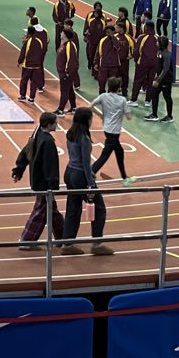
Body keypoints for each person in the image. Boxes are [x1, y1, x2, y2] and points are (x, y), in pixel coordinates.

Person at [60, 107, 112, 256]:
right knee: (99, 208)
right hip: (79, 175)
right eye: (91, 118)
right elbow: (84, 162)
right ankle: (97, 243)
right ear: (86, 120)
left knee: (73, 208)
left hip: (69, 172)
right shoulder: (84, 138)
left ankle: (67, 244)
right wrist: (90, 183)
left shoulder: (70, 134)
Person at [13, 111, 63, 250]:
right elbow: (50, 166)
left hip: (38, 180)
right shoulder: (47, 142)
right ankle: (27, 241)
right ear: (49, 124)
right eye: (55, 123)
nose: (57, 125)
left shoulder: (37, 133)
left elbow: (26, 151)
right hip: (44, 184)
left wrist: (18, 170)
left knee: (52, 212)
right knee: (41, 211)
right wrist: (52, 186)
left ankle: (64, 238)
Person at [92, 76, 137, 186]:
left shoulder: (103, 96)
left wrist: (101, 115)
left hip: (107, 129)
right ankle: (90, 173)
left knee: (119, 152)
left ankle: (124, 177)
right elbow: (128, 117)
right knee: (104, 156)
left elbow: (90, 106)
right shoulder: (122, 100)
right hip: (114, 132)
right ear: (119, 88)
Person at [144, 37, 175, 122]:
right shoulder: (160, 52)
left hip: (166, 80)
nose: (156, 43)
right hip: (160, 79)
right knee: (154, 95)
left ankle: (169, 116)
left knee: (167, 97)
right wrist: (156, 77)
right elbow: (159, 67)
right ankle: (154, 115)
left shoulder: (167, 55)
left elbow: (165, 69)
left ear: (161, 43)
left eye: (157, 42)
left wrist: (158, 80)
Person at [17, 18, 48, 102]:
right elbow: (41, 52)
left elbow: (23, 52)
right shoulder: (39, 41)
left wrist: (19, 61)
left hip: (27, 65)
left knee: (24, 80)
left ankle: (23, 96)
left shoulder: (27, 42)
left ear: (28, 33)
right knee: (33, 82)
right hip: (36, 66)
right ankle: (31, 98)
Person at [129, 22, 158, 106]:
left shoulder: (142, 37)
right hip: (154, 64)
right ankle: (148, 101)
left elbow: (137, 51)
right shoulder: (157, 38)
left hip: (142, 63)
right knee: (150, 81)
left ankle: (134, 100)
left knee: (137, 81)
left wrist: (136, 60)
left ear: (146, 28)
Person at [55, 19, 81, 113]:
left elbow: (71, 60)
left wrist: (67, 72)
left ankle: (60, 110)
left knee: (64, 90)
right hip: (63, 72)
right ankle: (73, 107)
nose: (60, 33)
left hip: (66, 73)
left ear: (65, 35)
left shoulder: (69, 45)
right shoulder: (64, 44)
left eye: (62, 33)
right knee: (69, 89)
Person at [96, 25, 126, 94]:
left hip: (114, 65)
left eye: (109, 32)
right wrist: (96, 62)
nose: (108, 33)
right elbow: (98, 52)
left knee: (112, 83)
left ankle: (111, 94)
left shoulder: (117, 39)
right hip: (104, 64)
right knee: (102, 81)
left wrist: (112, 37)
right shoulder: (102, 40)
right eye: (106, 32)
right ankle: (102, 94)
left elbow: (118, 47)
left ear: (113, 32)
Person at [83, 2, 105, 80]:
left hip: (99, 42)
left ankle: (95, 72)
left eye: (99, 6)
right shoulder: (91, 19)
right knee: (90, 55)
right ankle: (90, 64)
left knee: (97, 57)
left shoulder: (102, 21)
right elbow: (87, 27)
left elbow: (103, 32)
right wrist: (85, 35)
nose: (95, 14)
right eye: (96, 7)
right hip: (91, 41)